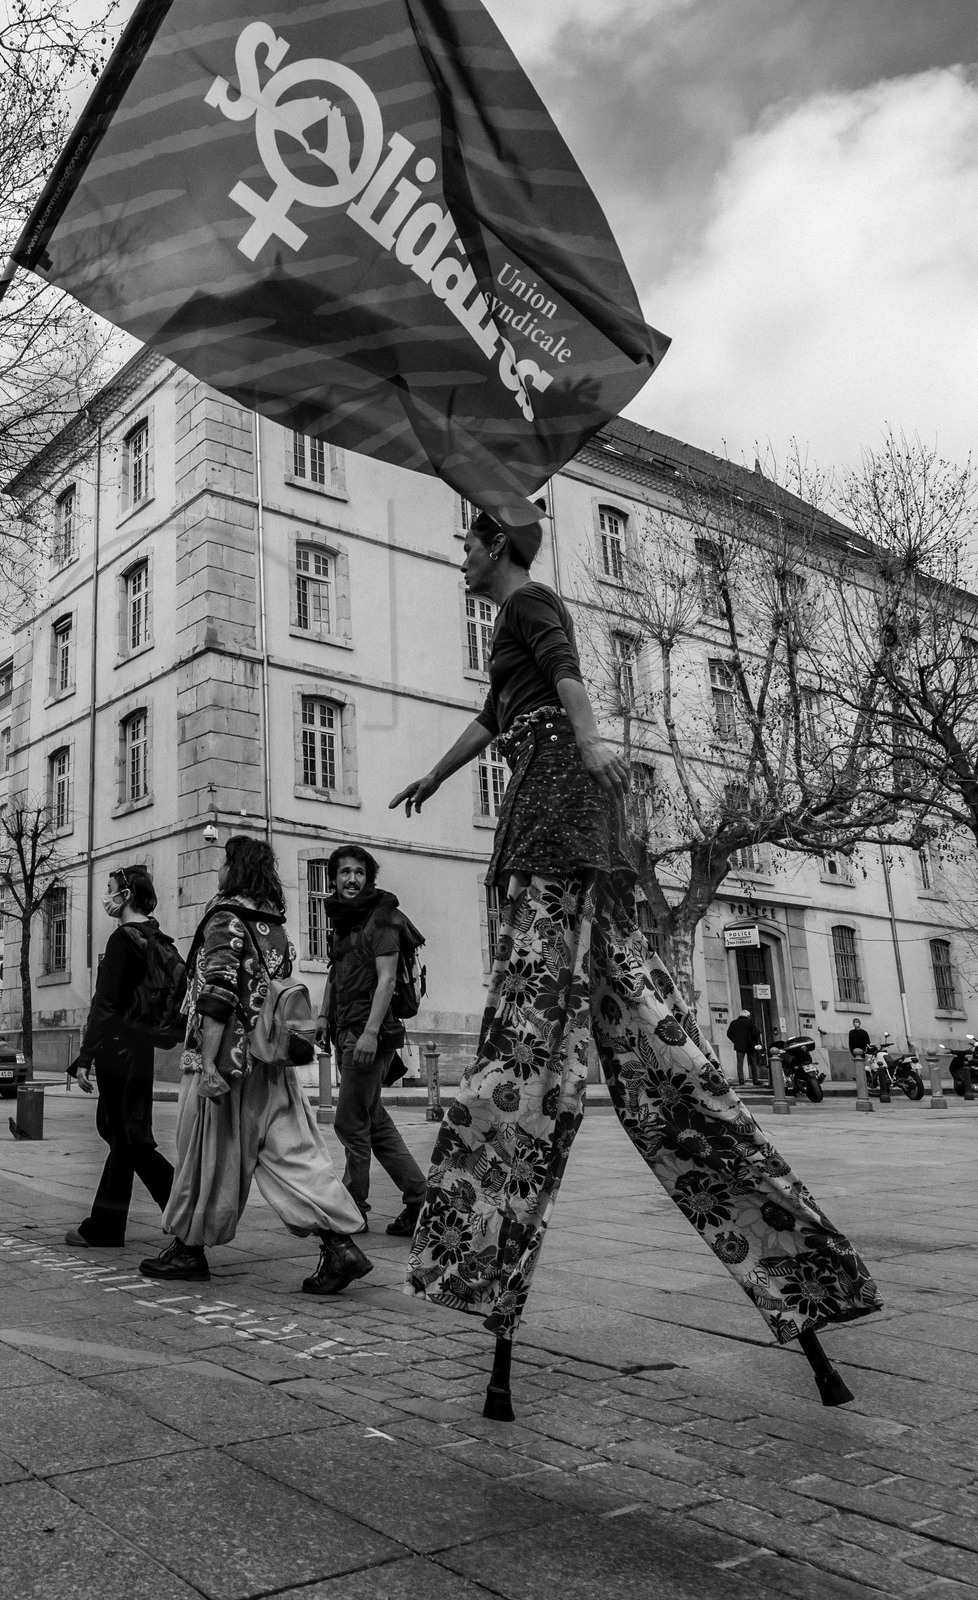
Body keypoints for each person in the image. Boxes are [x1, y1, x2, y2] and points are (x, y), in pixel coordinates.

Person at [390, 511, 879, 1420]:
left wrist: (588, 742)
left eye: (466, 542)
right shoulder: (508, 626)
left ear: (495, 547)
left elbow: (569, 673)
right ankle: (805, 1283)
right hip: (565, 835)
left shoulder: (532, 600)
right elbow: (490, 718)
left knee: (524, 1072)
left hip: (559, 835)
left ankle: (482, 1272)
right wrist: (436, 775)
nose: (458, 553)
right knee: (672, 1072)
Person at [141, 836, 372, 1295]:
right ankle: (339, 1243)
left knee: (208, 1154)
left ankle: (188, 1248)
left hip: (228, 1063)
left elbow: (218, 993)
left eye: (224, 861)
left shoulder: (225, 919)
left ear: (236, 868)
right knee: (293, 1153)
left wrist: (208, 1064)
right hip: (272, 1063)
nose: (219, 870)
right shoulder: (275, 925)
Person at [317, 844, 428, 1236]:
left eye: (360, 873)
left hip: (370, 1033)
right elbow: (336, 972)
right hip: (345, 1029)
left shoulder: (382, 920)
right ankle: (420, 1199)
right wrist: (323, 1015)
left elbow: (387, 979)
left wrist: (368, 1034)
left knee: (350, 1122)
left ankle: (354, 1207)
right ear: (334, 878)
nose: (352, 879)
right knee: (373, 1120)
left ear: (369, 878)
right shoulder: (344, 919)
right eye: (345, 872)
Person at [64, 866, 176, 1249]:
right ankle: (106, 1226)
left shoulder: (122, 939)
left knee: (129, 1139)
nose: (106, 897)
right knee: (123, 1135)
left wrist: (85, 1057)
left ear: (126, 895)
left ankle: (184, 1208)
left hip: (117, 1051)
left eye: (110, 889)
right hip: (140, 1051)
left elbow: (105, 1004)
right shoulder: (154, 936)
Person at [725, 1007, 759, 1085]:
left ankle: (741, 1079)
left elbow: (729, 1034)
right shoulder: (750, 1022)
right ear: (748, 1016)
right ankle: (755, 1080)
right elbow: (755, 1033)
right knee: (753, 1063)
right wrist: (755, 1042)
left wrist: (735, 1041)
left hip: (739, 1045)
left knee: (740, 1063)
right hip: (750, 1045)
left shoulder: (734, 1023)